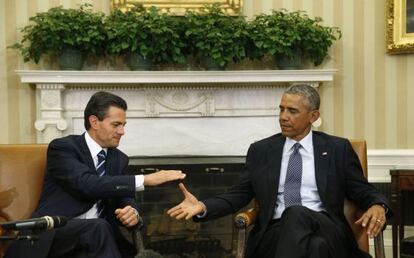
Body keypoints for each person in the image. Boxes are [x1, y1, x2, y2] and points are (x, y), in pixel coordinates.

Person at [167, 84, 391, 258]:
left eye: (292, 111)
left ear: (313, 116)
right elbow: (238, 194)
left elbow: (362, 189)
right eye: (281, 109)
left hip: (326, 226)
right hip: (275, 231)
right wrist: (203, 206)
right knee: (315, 248)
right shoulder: (261, 150)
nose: (283, 116)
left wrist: (378, 205)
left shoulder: (336, 149)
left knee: (296, 213)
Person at [6, 91, 186, 258]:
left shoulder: (119, 159)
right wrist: (147, 179)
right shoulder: (63, 148)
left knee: (106, 233)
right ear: (94, 122)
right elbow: (86, 184)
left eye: (123, 125)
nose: (122, 131)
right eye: (116, 125)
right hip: (55, 232)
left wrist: (132, 213)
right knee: (98, 227)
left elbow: (125, 198)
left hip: (97, 239)